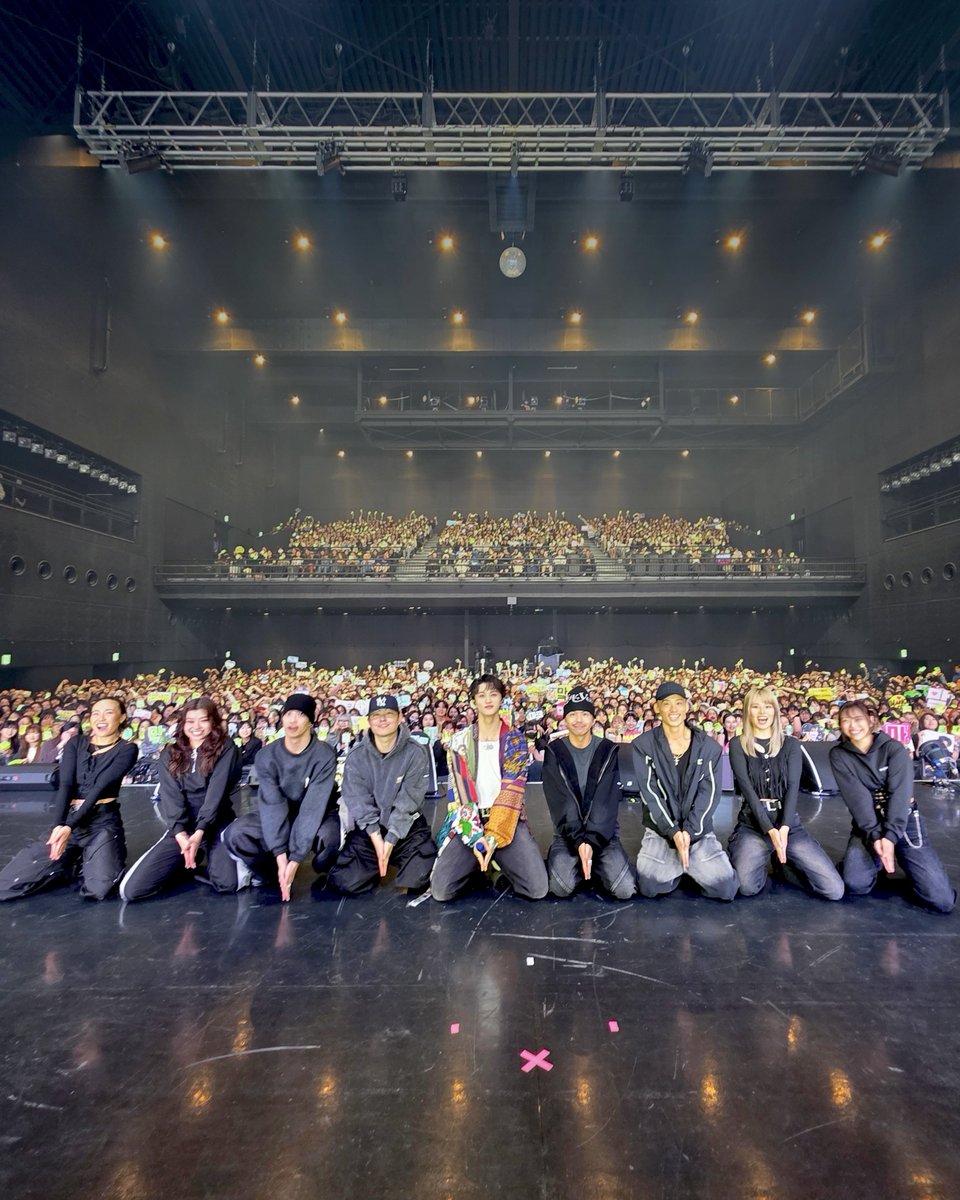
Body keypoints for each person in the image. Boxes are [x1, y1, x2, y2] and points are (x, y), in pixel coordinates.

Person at [0, 696, 137, 901]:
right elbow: (66, 785)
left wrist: (69, 826)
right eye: (96, 713)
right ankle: (67, 863)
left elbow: (99, 789)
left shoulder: (127, 749)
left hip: (102, 821)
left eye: (108, 712)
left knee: (99, 889)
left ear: (122, 717)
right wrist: (59, 826)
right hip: (69, 821)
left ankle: (89, 856)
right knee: (7, 884)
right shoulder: (76, 743)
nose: (101, 718)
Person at [830, 700, 955, 913]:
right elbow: (858, 799)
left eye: (858, 719)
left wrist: (890, 837)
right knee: (855, 884)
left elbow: (900, 795)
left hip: (904, 823)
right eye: (845, 720)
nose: (853, 725)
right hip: (869, 824)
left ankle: (908, 863)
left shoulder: (893, 749)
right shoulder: (839, 755)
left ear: (871, 719)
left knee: (941, 901)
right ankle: (873, 863)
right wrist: (876, 836)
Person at [431, 674, 548, 902]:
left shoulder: (516, 740)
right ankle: (476, 866)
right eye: (481, 695)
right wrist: (476, 838)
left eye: (493, 694)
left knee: (537, 888)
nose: (487, 700)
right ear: (473, 701)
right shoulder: (459, 742)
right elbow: (459, 797)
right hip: (469, 821)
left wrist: (492, 838)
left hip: (507, 820)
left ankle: (497, 859)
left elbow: (511, 794)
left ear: (501, 699)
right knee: (441, 891)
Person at [727, 685, 843, 899]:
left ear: (775, 710)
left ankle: (783, 866)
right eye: (755, 707)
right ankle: (759, 854)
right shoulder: (737, 744)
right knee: (747, 887)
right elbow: (748, 791)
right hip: (753, 825)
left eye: (767, 706)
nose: (762, 712)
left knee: (834, 890)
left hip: (789, 824)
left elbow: (792, 787)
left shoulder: (790, 744)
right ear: (747, 711)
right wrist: (770, 830)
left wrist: (784, 827)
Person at [119, 697, 240, 901]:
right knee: (132, 890)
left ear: (213, 722)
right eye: (190, 721)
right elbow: (171, 797)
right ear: (183, 723)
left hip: (216, 823)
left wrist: (200, 831)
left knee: (227, 884)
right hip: (184, 829)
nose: (196, 727)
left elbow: (216, 794)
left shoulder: (226, 747)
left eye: (203, 720)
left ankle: (203, 855)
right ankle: (188, 858)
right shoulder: (170, 753)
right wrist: (180, 833)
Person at [223, 694, 339, 900]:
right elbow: (272, 804)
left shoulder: (324, 754)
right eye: (288, 714)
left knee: (330, 837)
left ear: (311, 721)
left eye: (300, 715)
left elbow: (313, 807)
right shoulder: (266, 755)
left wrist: (295, 860)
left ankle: (323, 869)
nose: (293, 720)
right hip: (281, 811)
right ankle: (270, 872)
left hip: (318, 813)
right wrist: (280, 856)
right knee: (236, 834)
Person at [632, 681, 738, 901]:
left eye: (679, 703)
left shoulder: (708, 747)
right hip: (661, 830)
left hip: (698, 831)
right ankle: (684, 867)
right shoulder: (643, 745)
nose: (673, 709)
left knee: (725, 888)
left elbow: (709, 794)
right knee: (649, 885)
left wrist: (689, 831)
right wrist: (672, 831)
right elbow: (650, 793)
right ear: (657, 707)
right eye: (666, 703)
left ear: (687, 706)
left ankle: (686, 864)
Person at [327, 694, 435, 894]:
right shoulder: (356, 756)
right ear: (369, 721)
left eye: (388, 714)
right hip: (370, 828)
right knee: (344, 882)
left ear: (399, 717)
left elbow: (409, 801)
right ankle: (375, 864)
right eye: (376, 715)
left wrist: (391, 839)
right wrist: (377, 839)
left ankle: (390, 859)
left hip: (406, 826)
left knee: (419, 878)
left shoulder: (415, 752)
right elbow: (358, 801)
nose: (382, 719)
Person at [542, 686, 635, 900]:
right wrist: (578, 842)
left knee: (625, 889)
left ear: (593, 719)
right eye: (573, 714)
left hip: (603, 833)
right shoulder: (554, 751)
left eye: (585, 714)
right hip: (567, 834)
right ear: (565, 719)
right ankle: (583, 864)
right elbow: (561, 803)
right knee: (560, 887)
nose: (579, 720)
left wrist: (592, 841)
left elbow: (606, 802)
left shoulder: (607, 749)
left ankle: (595, 865)